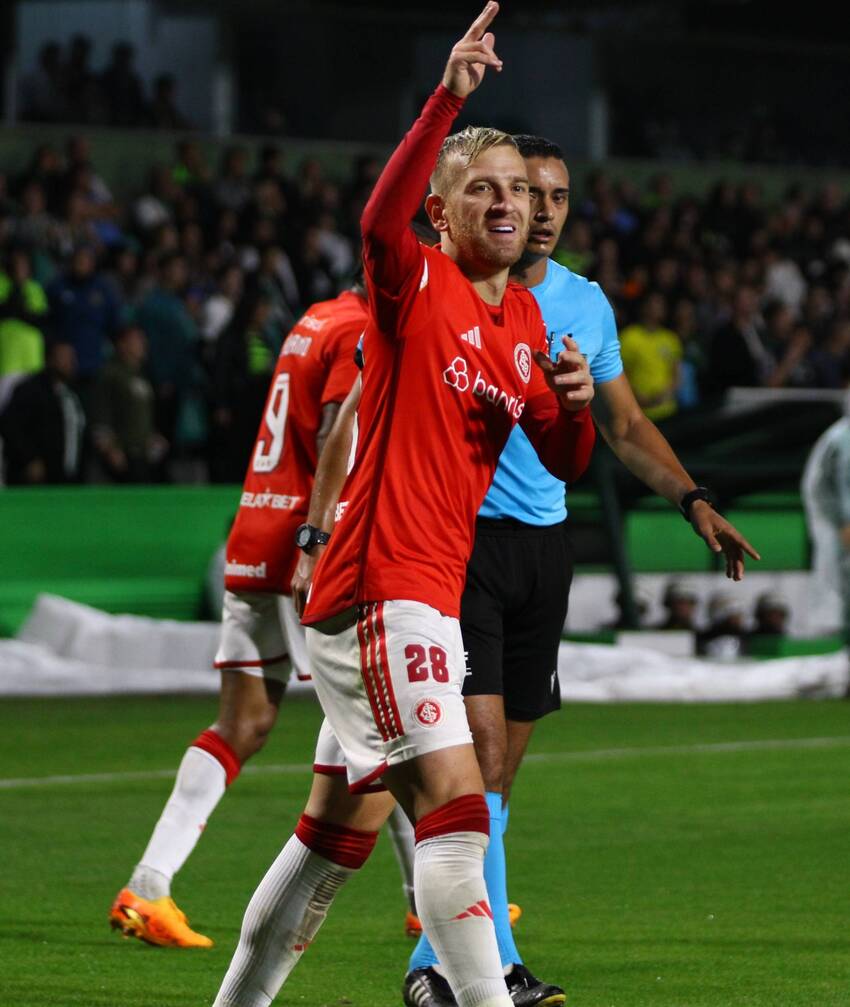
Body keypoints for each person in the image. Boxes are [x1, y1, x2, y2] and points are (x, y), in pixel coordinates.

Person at [294, 131, 760, 1007]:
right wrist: (319, 532)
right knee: (471, 764)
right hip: (444, 548)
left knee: (476, 781)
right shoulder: (436, 287)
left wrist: (692, 497)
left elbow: (603, 434)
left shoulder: (574, 307)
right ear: (470, 203)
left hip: (540, 550)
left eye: (551, 196)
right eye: (518, 191)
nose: (536, 209)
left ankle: (467, 956)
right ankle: (463, 970)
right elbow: (357, 410)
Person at [210, 7, 596, 1007]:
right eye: (481, 187)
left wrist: (574, 403)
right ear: (442, 212)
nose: (508, 199)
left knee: (335, 837)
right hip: (384, 586)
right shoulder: (414, 278)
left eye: (517, 185)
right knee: (457, 813)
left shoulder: (518, 324)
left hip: (413, 589)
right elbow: (375, 219)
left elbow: (562, 455)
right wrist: (448, 99)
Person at [108, 284, 370, 947]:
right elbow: (338, 429)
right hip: (305, 542)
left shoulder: (315, 318)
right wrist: (327, 537)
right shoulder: (360, 328)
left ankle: (148, 883)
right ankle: (424, 903)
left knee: (243, 722)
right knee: (376, 721)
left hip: (255, 526)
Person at [0, 340, 84, 484]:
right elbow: (10, 426)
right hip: (33, 478)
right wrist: (29, 458)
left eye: (72, 357)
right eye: (63, 357)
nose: (70, 362)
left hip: (67, 478)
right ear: (49, 359)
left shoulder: (72, 394)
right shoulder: (29, 390)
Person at [90, 324, 166, 482]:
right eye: (136, 341)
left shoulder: (141, 375)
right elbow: (101, 412)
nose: (142, 345)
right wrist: (109, 448)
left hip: (143, 453)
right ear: (122, 344)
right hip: (122, 453)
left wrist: (153, 436)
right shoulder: (111, 374)